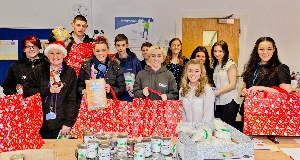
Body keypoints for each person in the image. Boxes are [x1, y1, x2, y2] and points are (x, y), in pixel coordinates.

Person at [23, 41, 78, 139]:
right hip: (40, 123)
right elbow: (27, 92)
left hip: (62, 124)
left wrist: (68, 123)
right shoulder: (38, 70)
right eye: (52, 53)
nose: (55, 56)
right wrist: (48, 90)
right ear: (47, 56)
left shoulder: (70, 72)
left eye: (58, 53)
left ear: (64, 55)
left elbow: (72, 99)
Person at [240, 37, 292, 125]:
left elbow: (286, 92)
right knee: (247, 138)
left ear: (274, 50)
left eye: (269, 49)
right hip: (248, 110)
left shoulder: (280, 68)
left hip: (269, 113)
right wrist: (244, 90)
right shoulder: (251, 67)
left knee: (264, 139)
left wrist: (260, 88)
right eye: (261, 49)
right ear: (257, 50)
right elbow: (246, 85)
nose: (265, 52)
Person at [78, 36, 126, 100]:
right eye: (98, 51)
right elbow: (79, 87)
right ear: (94, 51)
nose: (101, 53)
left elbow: (122, 88)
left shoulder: (115, 66)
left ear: (108, 50)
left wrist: (111, 89)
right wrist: (84, 91)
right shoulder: (86, 66)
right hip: (91, 104)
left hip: (109, 104)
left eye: (103, 50)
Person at [212, 40, 239, 127]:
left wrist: (217, 92)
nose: (217, 53)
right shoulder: (216, 65)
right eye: (215, 51)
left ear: (225, 52)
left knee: (227, 130)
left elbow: (232, 85)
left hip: (229, 101)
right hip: (219, 102)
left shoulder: (230, 64)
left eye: (220, 51)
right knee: (219, 129)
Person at [115, 34, 142, 102]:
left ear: (127, 45)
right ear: (115, 45)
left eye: (123, 45)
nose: (121, 48)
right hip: (117, 95)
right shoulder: (113, 61)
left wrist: (136, 91)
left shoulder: (134, 60)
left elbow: (140, 78)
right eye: (118, 45)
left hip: (131, 96)